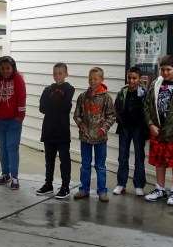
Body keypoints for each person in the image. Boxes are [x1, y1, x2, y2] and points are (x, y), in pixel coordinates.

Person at [143, 55, 173, 205]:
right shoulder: (155, 84)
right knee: (159, 159)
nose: (165, 72)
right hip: (157, 130)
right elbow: (147, 105)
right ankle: (160, 188)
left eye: (168, 69)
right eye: (162, 69)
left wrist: (168, 130)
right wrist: (150, 124)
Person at [73, 66, 116, 202]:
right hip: (85, 137)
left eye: (95, 79)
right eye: (90, 79)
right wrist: (81, 125)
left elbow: (111, 116)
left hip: (100, 138)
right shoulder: (82, 97)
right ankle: (84, 189)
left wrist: (103, 129)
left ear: (102, 79)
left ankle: (102, 191)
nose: (92, 81)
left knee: (100, 166)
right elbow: (77, 115)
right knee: (85, 164)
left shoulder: (107, 98)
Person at [36, 62, 75, 199]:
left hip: (62, 131)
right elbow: (42, 108)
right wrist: (58, 105)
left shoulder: (69, 88)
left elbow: (65, 106)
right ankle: (48, 184)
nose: (57, 75)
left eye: (60, 73)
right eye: (55, 73)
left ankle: (65, 186)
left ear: (66, 74)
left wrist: (52, 104)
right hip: (48, 130)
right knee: (49, 160)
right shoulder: (47, 89)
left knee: (64, 160)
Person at [0, 55, 26, 190]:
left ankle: (14, 176)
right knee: (2, 147)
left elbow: (21, 97)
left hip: (14, 120)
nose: (5, 71)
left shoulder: (18, 79)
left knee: (12, 147)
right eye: (2, 68)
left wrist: (21, 115)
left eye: (8, 68)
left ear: (13, 67)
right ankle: (5, 174)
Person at [113, 66, 148, 197]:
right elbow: (116, 107)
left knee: (139, 156)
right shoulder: (122, 92)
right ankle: (121, 183)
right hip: (125, 128)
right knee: (122, 156)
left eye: (134, 78)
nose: (131, 81)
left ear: (139, 78)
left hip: (139, 128)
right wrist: (120, 119)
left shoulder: (145, 92)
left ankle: (139, 185)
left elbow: (148, 109)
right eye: (129, 78)